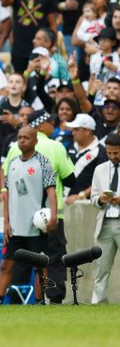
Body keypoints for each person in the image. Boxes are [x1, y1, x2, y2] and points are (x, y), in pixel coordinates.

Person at [3, 110, 75, 303]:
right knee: (52, 259)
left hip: (19, 217)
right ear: (43, 124)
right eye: (52, 122)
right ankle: (52, 298)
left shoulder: (14, 148)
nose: (54, 126)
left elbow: (7, 182)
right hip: (50, 216)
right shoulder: (56, 146)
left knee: (21, 260)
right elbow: (70, 179)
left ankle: (17, 298)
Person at [0, 125, 57, 304]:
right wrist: (6, 222)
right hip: (15, 227)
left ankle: (40, 301)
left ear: (35, 141)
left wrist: (53, 215)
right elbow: (8, 195)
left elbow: (51, 191)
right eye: (20, 137)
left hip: (36, 226)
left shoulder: (43, 162)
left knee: (40, 266)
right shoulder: (12, 163)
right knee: (5, 265)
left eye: (26, 137)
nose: (22, 140)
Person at [1, 0, 57, 72]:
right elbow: (4, 2)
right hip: (19, 46)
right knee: (19, 77)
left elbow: (53, 24)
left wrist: (52, 46)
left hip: (39, 46)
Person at [90, 132, 120, 304]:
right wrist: (100, 199)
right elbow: (93, 198)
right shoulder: (99, 169)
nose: (113, 156)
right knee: (102, 269)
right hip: (105, 224)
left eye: (116, 152)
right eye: (109, 153)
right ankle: (98, 303)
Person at [65, 113, 106, 204]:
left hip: (85, 205)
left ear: (87, 131)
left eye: (76, 129)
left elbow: (103, 180)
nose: (73, 132)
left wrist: (81, 195)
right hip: (64, 200)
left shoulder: (101, 152)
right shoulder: (70, 146)